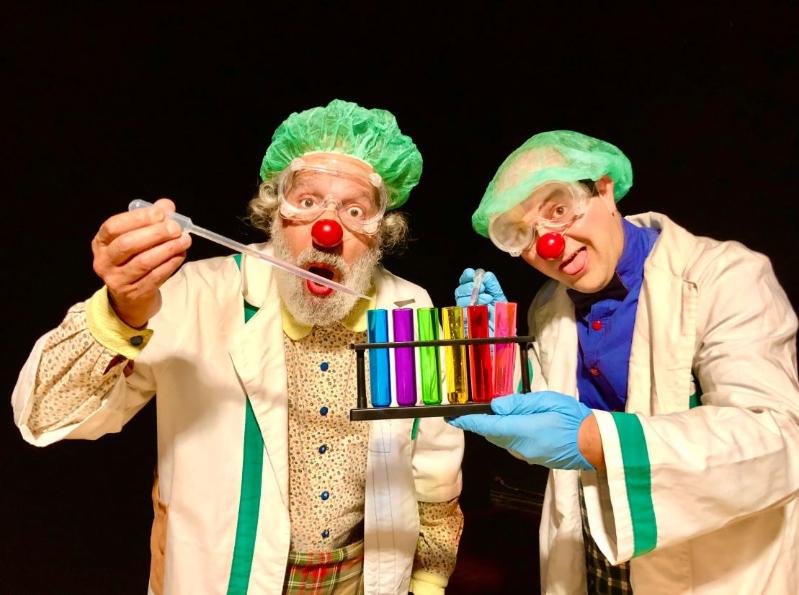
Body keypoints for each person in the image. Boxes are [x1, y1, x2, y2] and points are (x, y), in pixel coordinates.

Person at [12, 99, 464, 595]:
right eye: (307, 201)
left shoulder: (409, 310)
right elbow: (44, 416)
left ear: (380, 232)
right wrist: (121, 311)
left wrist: (429, 581)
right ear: (275, 213)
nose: (327, 230)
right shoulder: (191, 296)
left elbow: (435, 467)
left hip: (361, 579)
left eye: (355, 210)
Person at [450, 130, 799, 593]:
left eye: (559, 210)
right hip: (594, 558)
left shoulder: (726, 277)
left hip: (709, 566)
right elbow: (547, 420)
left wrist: (594, 439)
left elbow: (777, 438)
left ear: (605, 188)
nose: (548, 244)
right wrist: (495, 355)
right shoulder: (549, 306)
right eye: (523, 234)